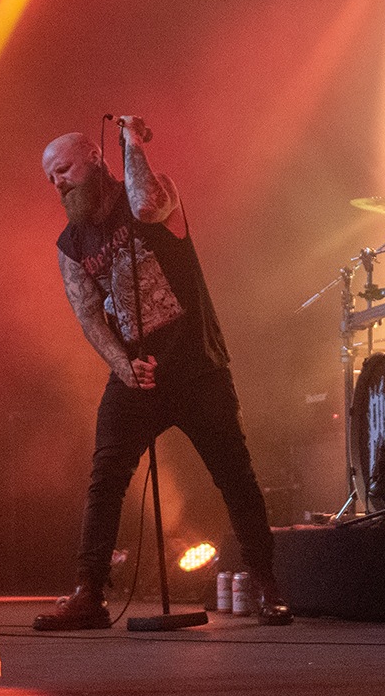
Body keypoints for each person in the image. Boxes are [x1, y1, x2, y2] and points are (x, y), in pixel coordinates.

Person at [36, 118, 290, 629]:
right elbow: (88, 316)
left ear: (96, 158)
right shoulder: (71, 243)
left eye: (63, 170)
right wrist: (123, 366)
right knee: (106, 478)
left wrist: (132, 143)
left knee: (234, 475)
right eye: (50, 178)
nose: (57, 183)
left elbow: (146, 207)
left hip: (197, 366)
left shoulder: (159, 191)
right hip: (137, 375)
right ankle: (89, 593)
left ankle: (266, 586)